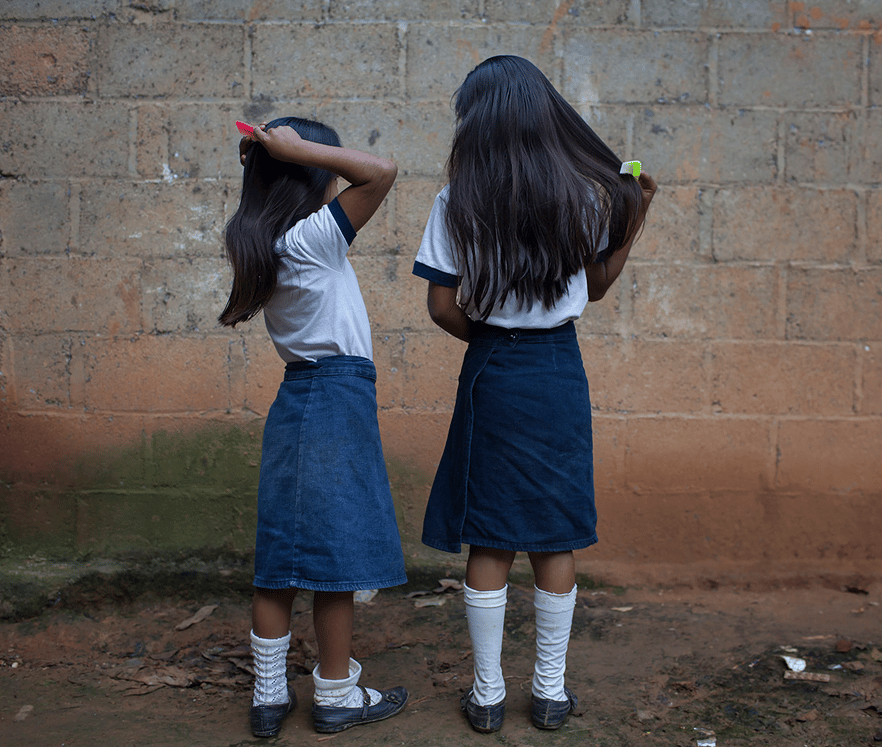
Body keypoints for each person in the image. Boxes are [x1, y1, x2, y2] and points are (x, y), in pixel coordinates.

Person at [411, 56, 656, 733]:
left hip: (493, 371)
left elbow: (439, 305)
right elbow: (595, 287)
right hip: (557, 372)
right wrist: (635, 218)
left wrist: (490, 339)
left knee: (488, 535)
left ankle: (486, 694)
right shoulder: (580, 193)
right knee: (554, 533)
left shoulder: (456, 199)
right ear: (545, 112)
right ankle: (549, 692)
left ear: (476, 119)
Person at [221, 117, 409, 737]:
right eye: (320, 167)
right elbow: (380, 172)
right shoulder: (310, 239)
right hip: (334, 400)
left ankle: (271, 696)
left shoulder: (263, 239)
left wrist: (285, 157)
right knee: (335, 556)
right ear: (307, 176)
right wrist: (299, 148)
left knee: (280, 557)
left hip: (299, 399)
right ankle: (335, 694)